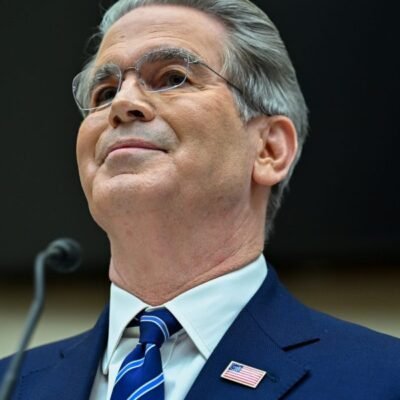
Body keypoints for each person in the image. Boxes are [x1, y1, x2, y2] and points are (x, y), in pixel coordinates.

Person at [1, 0, 400, 399]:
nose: (121, 104)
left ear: (269, 149)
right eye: (105, 92)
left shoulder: (382, 379)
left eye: (173, 77)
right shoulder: (11, 383)